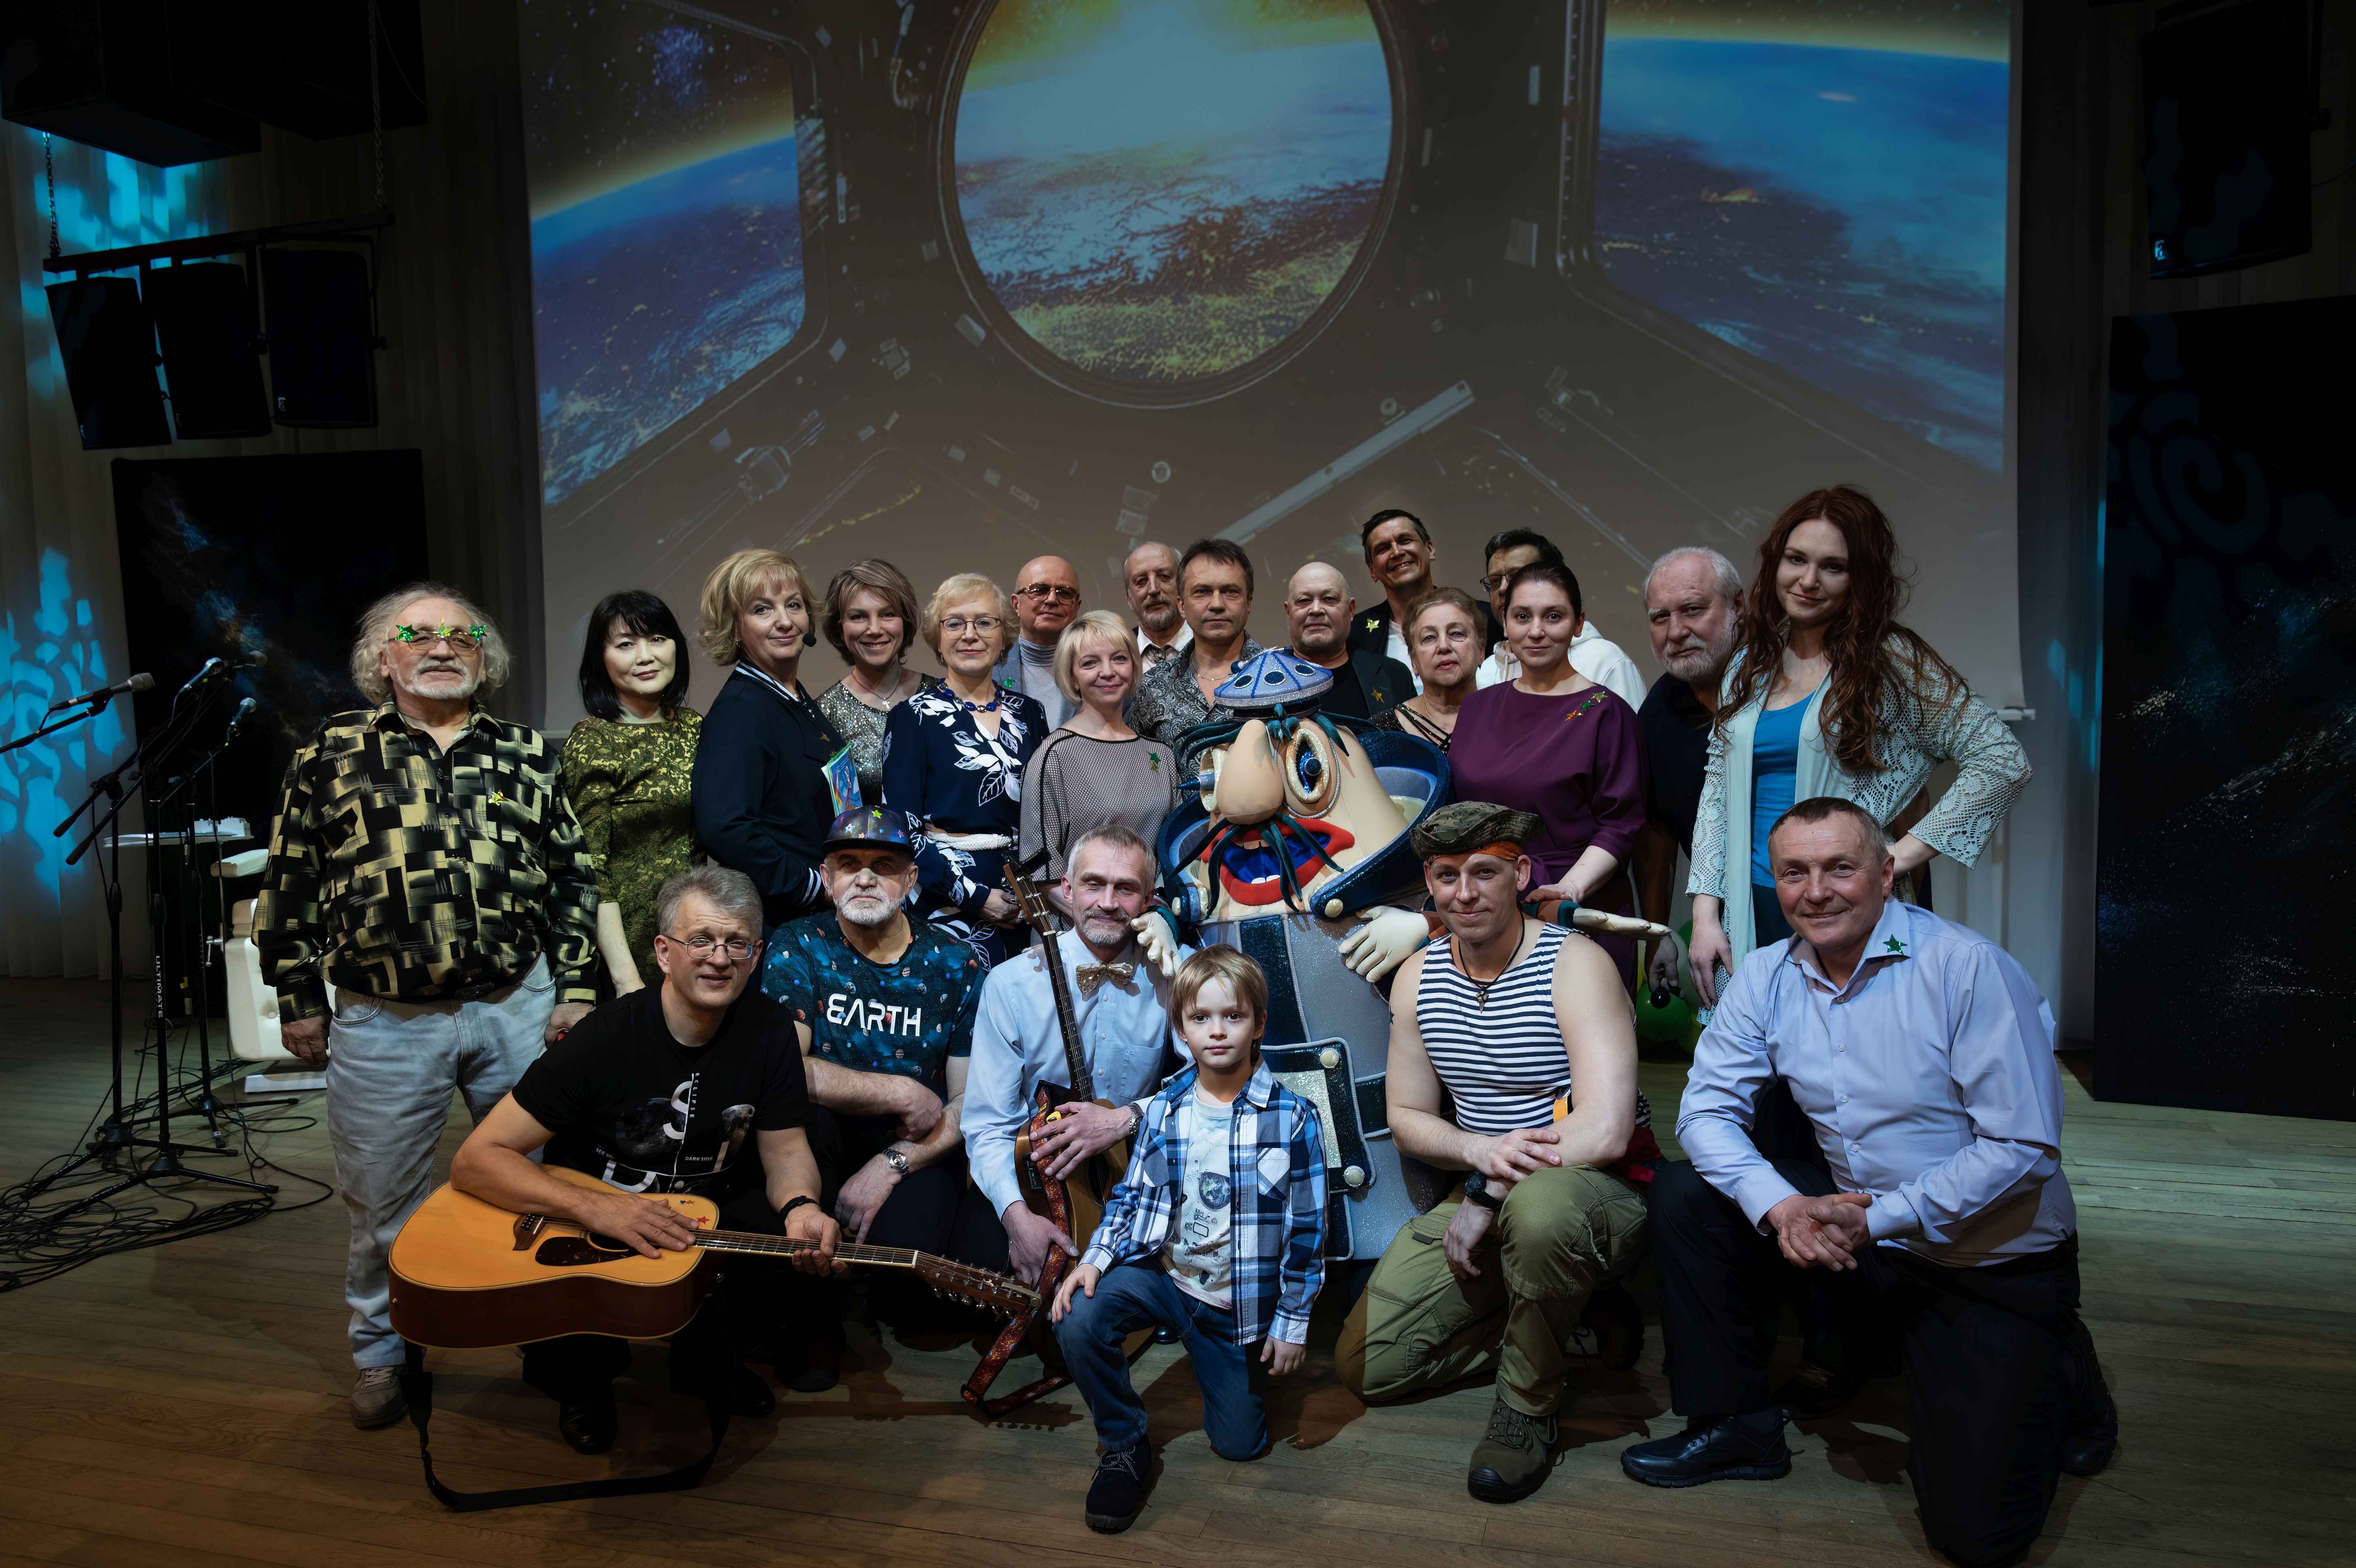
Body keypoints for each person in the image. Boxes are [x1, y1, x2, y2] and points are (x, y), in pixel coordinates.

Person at [1622, 798, 2116, 1568]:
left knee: (1976, 1538)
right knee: (1688, 1194)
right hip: (1865, 1237)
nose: (1815, 891)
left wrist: (1880, 1219)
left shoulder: (1967, 968)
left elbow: (2023, 1146)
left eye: (1839, 867)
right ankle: (1737, 1425)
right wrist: (1781, 1204)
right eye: (1794, 872)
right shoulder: (1764, 975)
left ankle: (2062, 1359)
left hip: (1983, 1260)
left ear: (1886, 874)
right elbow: (1704, 1113)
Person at [255, 583, 599, 1430]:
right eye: (420, 634)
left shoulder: (525, 751)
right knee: (381, 1203)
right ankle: (384, 1353)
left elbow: (573, 879)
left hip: (517, 1006)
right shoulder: (329, 752)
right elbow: (290, 883)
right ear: (384, 657)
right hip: (382, 1019)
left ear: (486, 657)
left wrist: (581, 986)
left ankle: (553, 1342)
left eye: (464, 635)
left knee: (547, 1185)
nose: (444, 646)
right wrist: (299, 997)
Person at [449, 865, 840, 1453]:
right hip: (594, 1210)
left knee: (775, 1230)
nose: (719, 959)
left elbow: (785, 1149)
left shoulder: (771, 1031)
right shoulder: (604, 1038)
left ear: (756, 955)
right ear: (663, 951)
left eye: (736, 943)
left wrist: (803, 1205)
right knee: (565, 1260)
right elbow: (477, 1159)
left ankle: (706, 1360)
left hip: (703, 1207)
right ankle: (583, 1383)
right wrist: (599, 1208)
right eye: (700, 940)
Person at [1338, 803, 1654, 1504]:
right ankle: (1560, 1315)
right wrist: (1477, 1150)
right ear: (1429, 882)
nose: (1464, 893)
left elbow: (1603, 1131)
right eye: (1447, 876)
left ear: (1520, 873)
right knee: (1368, 1365)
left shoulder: (1574, 964)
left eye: (1484, 872)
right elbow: (1408, 1118)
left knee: (1541, 1217)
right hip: (1485, 1186)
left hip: (1589, 1187)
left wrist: (1485, 1191)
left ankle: (1526, 1408)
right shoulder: (1418, 978)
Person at [1685, 486, 2032, 1007]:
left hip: (1842, 911)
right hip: (1748, 906)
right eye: (1796, 559)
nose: (1807, 580)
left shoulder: (1891, 663)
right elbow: (1717, 793)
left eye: (1833, 567)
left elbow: (2002, 760)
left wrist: (1896, 855)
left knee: (1843, 1071)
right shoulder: (1750, 661)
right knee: (1755, 1073)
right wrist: (1705, 913)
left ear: (1860, 578)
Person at [1052, 946, 1326, 1534]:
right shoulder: (1164, 1111)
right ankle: (1124, 1441)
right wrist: (1096, 1258)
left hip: (1234, 1303)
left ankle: (1223, 1362)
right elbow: (1132, 1196)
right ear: (1181, 1029)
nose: (1218, 1031)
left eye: (1234, 1016)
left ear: (1258, 1023)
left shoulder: (1294, 1119)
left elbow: (1308, 1230)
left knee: (1241, 1446)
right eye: (1201, 1018)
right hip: (1166, 1276)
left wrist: (1292, 1321)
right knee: (1077, 1315)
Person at [759, 806, 993, 1387]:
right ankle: (810, 1317)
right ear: (828, 877)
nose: (865, 879)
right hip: (818, 1142)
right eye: (849, 864)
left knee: (914, 1303)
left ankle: (862, 1286)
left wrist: (893, 1165)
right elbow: (782, 1072)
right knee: (801, 1122)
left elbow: (968, 1101)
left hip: (914, 1147)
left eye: (884, 866)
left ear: (911, 881)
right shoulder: (797, 945)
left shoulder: (956, 962)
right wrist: (897, 1088)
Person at [960, 825, 1192, 1284]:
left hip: (1135, 1170)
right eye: (1093, 883)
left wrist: (1125, 1118)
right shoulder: (1011, 984)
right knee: (980, 1263)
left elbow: (1215, 1083)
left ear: (1148, 900)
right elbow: (988, 1125)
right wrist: (1016, 1217)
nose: (1108, 901)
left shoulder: (1175, 969)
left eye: (1125, 888)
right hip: (1038, 1174)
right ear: (1067, 889)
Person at [1448, 561, 1649, 988]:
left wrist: (1569, 888)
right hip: (1483, 913)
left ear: (1579, 623)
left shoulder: (1605, 711)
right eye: (1523, 616)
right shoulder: (1477, 707)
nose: (1536, 630)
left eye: (1553, 616)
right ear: (1504, 622)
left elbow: (1621, 824)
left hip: (1573, 911)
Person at [884, 572, 1046, 964]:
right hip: (943, 908)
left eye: (984, 622)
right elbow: (900, 829)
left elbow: (1047, 813)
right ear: (938, 639)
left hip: (1025, 903)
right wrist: (974, 896)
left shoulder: (1031, 713)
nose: (969, 634)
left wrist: (1033, 893)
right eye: (955, 623)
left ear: (1004, 634)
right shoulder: (912, 717)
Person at [690, 549, 847, 933]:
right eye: (762, 610)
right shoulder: (739, 711)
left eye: (793, 605)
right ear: (735, 627)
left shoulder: (791, 695)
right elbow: (725, 828)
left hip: (824, 920)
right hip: (784, 927)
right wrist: (814, 887)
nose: (784, 621)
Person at [562, 590, 702, 997]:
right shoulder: (594, 740)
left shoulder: (696, 727)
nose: (646, 656)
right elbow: (591, 871)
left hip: (694, 935)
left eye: (657, 639)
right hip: (625, 946)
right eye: (626, 644)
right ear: (601, 660)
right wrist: (627, 979)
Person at [1629, 547, 1744, 997]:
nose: (1676, 632)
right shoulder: (1657, 713)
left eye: (1693, 610)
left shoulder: (1788, 683)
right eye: (1660, 617)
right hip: (1724, 933)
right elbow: (1655, 832)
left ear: (1739, 606)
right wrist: (1657, 931)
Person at [1019, 610, 1179, 889]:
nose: (1108, 672)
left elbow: (1175, 850)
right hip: (1075, 926)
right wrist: (1103, 914)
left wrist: (1157, 911)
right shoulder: (1053, 756)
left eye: (1119, 658)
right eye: (1091, 663)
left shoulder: (1160, 756)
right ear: (1073, 676)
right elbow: (1040, 869)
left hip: (1150, 924)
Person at [1475, 529, 1647, 708]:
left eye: (1518, 576)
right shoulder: (1488, 670)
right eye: (1495, 581)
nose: (1503, 589)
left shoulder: (1605, 661)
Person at [813, 560, 936, 807]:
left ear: (906, 621)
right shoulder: (824, 715)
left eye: (888, 614)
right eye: (858, 617)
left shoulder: (942, 695)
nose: (874, 629)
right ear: (840, 629)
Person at [1128, 539, 1264, 748]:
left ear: (1248, 603)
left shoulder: (1282, 680)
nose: (1217, 604)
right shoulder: (1151, 687)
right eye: (1202, 592)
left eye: (1230, 592)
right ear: (1181, 605)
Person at [1346, 508, 1483, 687]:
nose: (1397, 552)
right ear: (1372, 571)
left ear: (1430, 550)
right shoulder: (1354, 636)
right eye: (1383, 548)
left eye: (1405, 541)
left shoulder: (1484, 617)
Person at [1282, 561, 1413, 722]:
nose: (1316, 610)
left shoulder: (1395, 676)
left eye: (1329, 599)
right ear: (1289, 613)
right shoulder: (1262, 686)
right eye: (1304, 601)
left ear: (1351, 610)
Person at [1372, 586, 1484, 753]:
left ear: (1481, 651)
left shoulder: (1509, 719)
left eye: (1457, 634)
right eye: (1429, 638)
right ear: (1414, 661)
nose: (1444, 646)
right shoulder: (1380, 733)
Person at [994, 554, 1084, 728]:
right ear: (1016, 604)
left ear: (1077, 608)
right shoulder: (990, 670)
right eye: (1039, 590)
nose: (1052, 600)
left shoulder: (1100, 674)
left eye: (1065, 593)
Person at [1123, 540, 1190, 674]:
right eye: (1141, 581)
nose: (1153, 589)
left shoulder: (1213, 646)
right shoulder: (1117, 653)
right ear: (1129, 598)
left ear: (1183, 586)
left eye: (1164, 577)